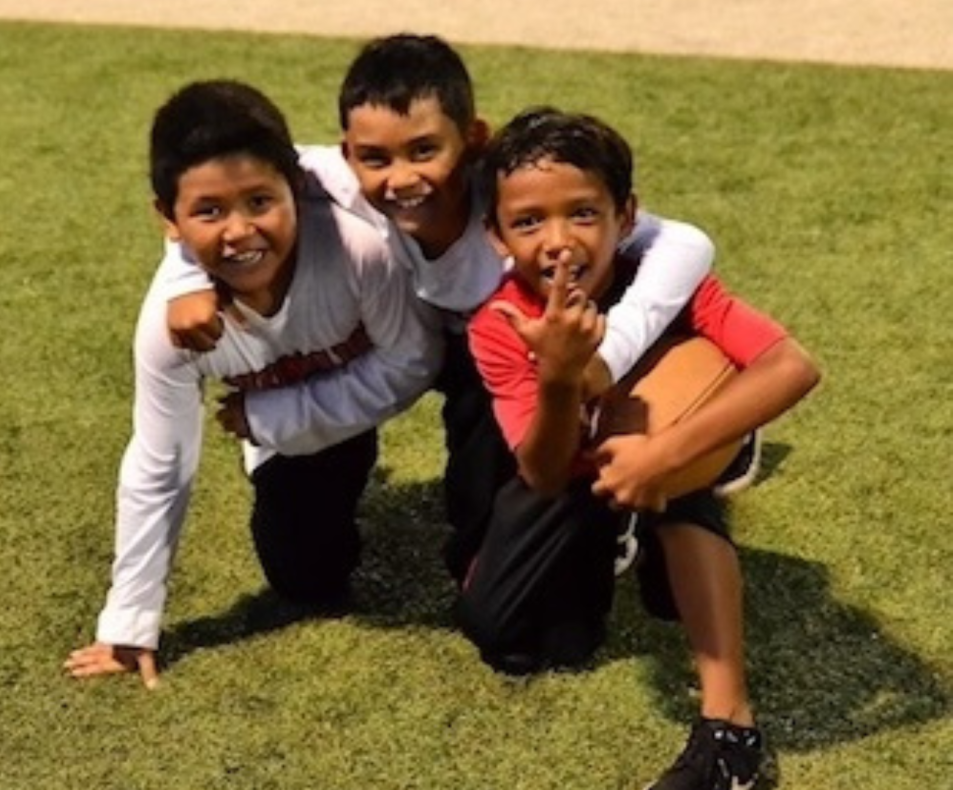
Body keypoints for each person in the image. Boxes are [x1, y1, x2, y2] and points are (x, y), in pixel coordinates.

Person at [161, 34, 731, 584]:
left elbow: (685, 242)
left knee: (484, 518)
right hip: (383, 345)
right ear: (348, 154)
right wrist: (186, 276)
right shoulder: (331, 176)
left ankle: (605, 510)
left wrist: (610, 354)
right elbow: (215, 190)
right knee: (306, 572)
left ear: (474, 138)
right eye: (375, 157)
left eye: (425, 150)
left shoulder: (512, 189)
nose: (402, 178)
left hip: (492, 353)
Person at [460, 107, 820, 789]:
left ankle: (728, 728)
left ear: (625, 216)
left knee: (674, 491)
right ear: (496, 235)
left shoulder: (664, 283)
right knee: (507, 632)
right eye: (529, 222)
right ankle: (628, 517)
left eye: (582, 213)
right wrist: (559, 377)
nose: (558, 242)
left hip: (666, 441)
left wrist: (667, 454)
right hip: (575, 467)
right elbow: (543, 472)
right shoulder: (498, 323)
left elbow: (792, 366)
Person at [64, 79, 443, 688]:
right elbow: (161, 463)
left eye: (260, 201)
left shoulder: (358, 250)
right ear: (168, 220)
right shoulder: (170, 328)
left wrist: (276, 415)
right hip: (319, 404)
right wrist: (131, 620)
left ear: (295, 187)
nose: (240, 231)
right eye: (209, 212)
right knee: (307, 577)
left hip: (392, 349)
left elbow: (415, 361)